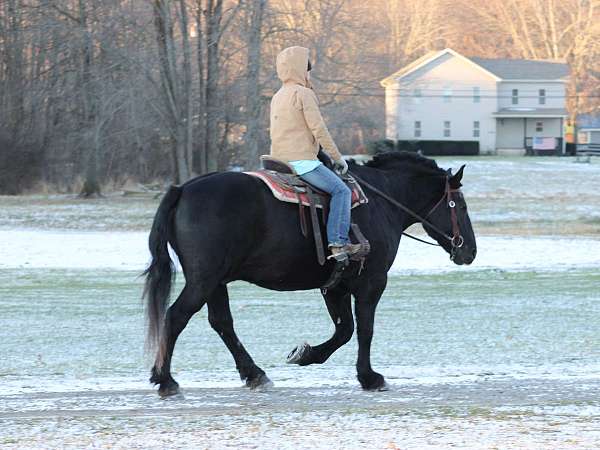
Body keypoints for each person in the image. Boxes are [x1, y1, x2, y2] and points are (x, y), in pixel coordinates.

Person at [269, 46, 361, 260]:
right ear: (300, 70)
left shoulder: (278, 95)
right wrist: (337, 158)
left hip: (276, 159)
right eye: (306, 69)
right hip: (301, 161)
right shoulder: (304, 94)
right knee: (342, 191)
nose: (308, 74)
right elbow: (318, 129)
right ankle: (338, 243)